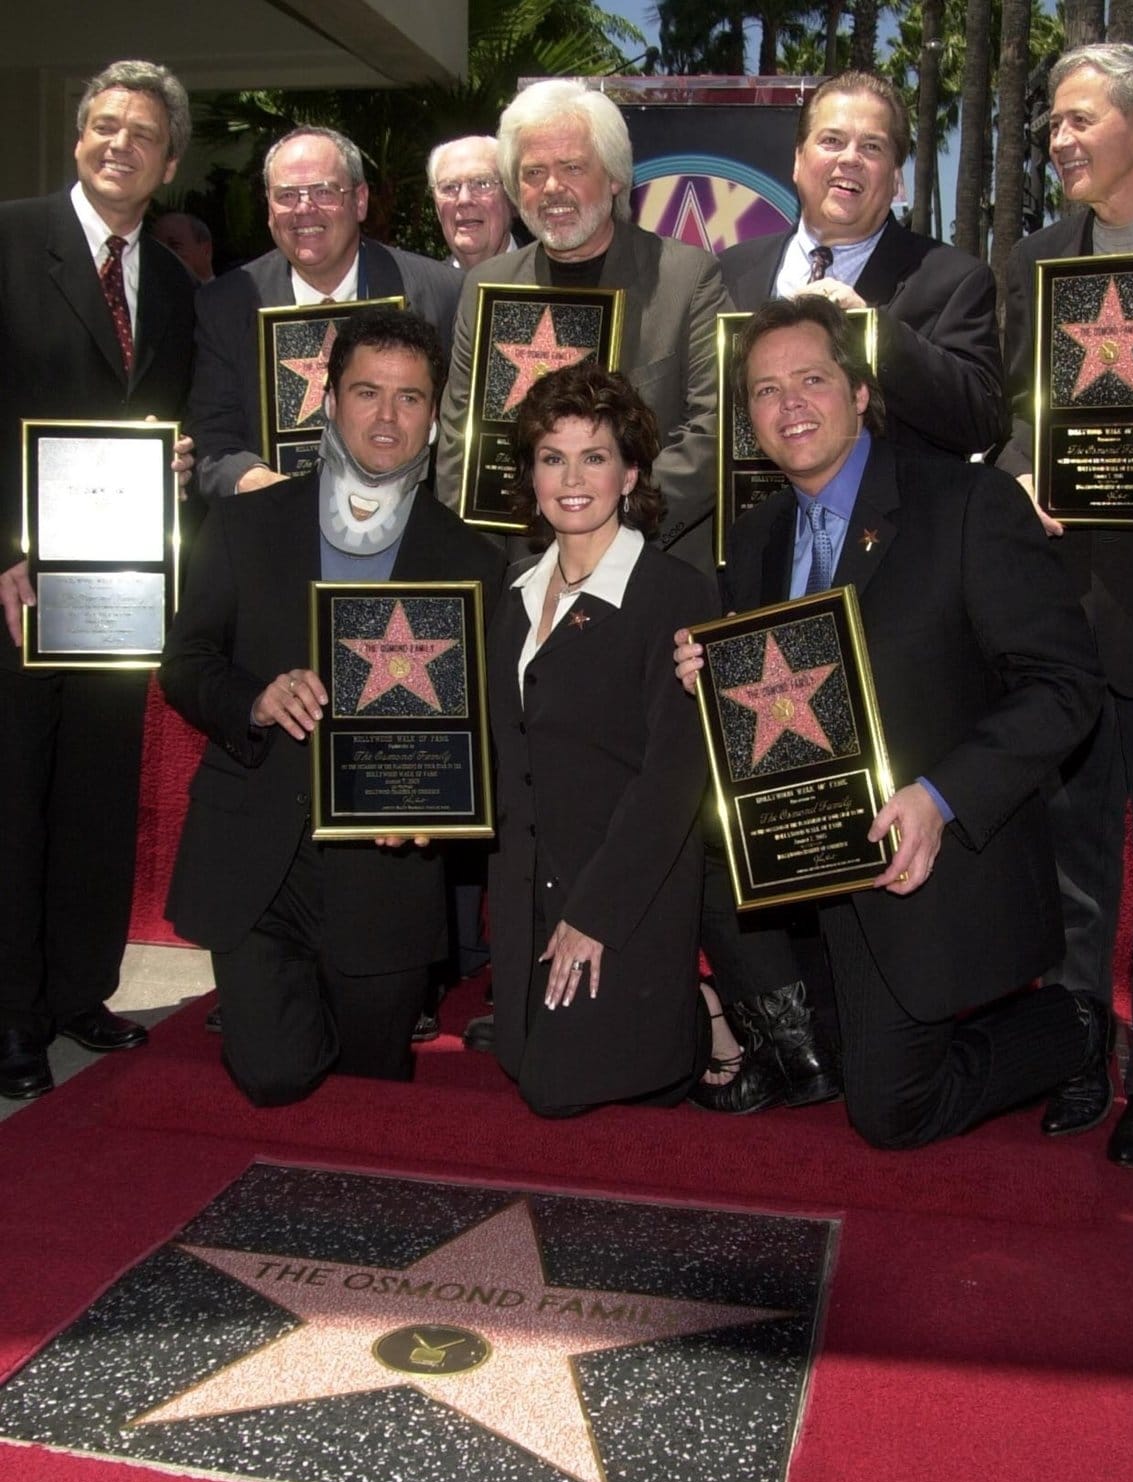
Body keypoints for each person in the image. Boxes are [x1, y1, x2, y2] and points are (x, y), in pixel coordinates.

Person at [674, 296, 1110, 1150]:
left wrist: (941, 798)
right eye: (765, 390)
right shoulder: (755, 538)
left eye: (811, 379)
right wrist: (712, 677)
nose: (789, 404)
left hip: (930, 865)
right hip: (805, 871)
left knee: (891, 1111)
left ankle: (1078, 1027)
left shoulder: (966, 503)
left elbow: (1066, 685)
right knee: (828, 1066)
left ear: (862, 392)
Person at [159, 309, 505, 1107]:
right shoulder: (246, 523)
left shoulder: (472, 560)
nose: (387, 418)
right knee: (276, 1072)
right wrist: (255, 699)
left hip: (387, 868)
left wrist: (447, 804)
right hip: (257, 858)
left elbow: (486, 728)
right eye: (368, 393)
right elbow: (185, 666)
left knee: (369, 1089)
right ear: (330, 400)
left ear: (434, 414)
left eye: (410, 398)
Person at [998, 43, 1133, 1169]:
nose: (1060, 141)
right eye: (1053, 128)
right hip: (1067, 620)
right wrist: (1024, 470)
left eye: (1079, 121)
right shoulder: (1037, 257)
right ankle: (1080, 1058)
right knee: (1074, 864)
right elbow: (1020, 410)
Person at [0, 59, 197, 1101]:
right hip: (16, 590)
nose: (118, 144)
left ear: (168, 162)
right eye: (103, 127)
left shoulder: (168, 282)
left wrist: (172, 470)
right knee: (13, 800)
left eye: (141, 134)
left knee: (94, 794)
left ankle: (79, 988)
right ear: (81, 140)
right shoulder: (7, 236)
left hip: (118, 588)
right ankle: (10, 1013)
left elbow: (169, 421)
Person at [488, 363, 719, 1117]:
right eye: (553, 457)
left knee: (558, 1092)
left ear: (631, 473)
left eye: (595, 456)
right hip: (529, 886)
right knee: (523, 1068)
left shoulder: (675, 594)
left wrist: (596, 918)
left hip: (626, 893)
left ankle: (700, 1018)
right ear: (531, 475)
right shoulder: (511, 592)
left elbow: (673, 779)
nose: (573, 477)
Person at [437, 78, 730, 571]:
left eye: (572, 167)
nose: (552, 188)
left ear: (614, 176)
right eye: (533, 172)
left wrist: (606, 525)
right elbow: (458, 444)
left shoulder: (687, 278)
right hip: (518, 570)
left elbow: (714, 429)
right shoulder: (486, 286)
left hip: (648, 569)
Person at [719, 69, 1005, 461]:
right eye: (832, 140)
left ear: (895, 180)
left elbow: (982, 421)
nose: (850, 158)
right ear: (798, 161)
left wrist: (874, 334)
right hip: (749, 518)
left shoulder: (954, 280)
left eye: (872, 147)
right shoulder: (728, 272)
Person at [188, 124, 461, 502]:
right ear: (269, 208)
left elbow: (458, 435)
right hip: (275, 538)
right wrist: (256, 483)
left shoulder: (441, 294)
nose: (304, 209)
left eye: (323, 191)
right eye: (286, 195)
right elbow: (211, 438)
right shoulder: (226, 304)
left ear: (360, 200)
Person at [428, 136, 520, 269]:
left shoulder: (550, 284)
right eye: (449, 187)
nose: (464, 200)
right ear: (437, 207)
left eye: (482, 183)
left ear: (511, 197)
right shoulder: (427, 288)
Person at [152, 211, 214, 281]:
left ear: (206, 250)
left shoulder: (226, 290)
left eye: (174, 245)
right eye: (157, 248)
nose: (163, 254)